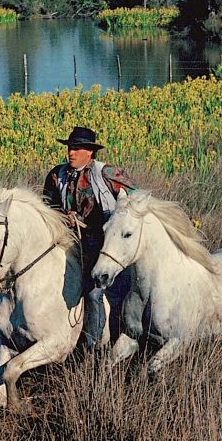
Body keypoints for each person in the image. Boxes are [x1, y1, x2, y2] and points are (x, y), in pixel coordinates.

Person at [43, 126, 136, 348]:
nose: (71, 153)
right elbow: (46, 208)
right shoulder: (57, 175)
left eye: (77, 148)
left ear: (90, 152)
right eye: (70, 148)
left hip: (105, 245)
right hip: (70, 242)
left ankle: (93, 348)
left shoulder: (107, 173)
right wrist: (63, 217)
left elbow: (135, 202)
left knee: (94, 294)